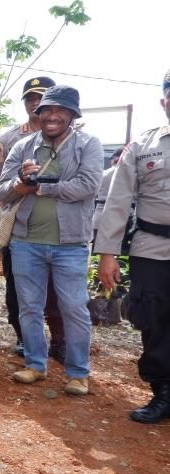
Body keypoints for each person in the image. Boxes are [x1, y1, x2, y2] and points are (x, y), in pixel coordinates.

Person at [0, 85, 102, 396]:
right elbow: (3, 189)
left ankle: (78, 373)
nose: (52, 116)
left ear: (72, 116)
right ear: (39, 114)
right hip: (25, 241)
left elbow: (88, 185)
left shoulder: (88, 145)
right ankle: (35, 365)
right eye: (47, 110)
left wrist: (41, 187)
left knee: (73, 308)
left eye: (60, 111)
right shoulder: (23, 147)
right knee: (29, 307)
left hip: (71, 244)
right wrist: (21, 181)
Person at [96, 70, 170, 423]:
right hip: (151, 248)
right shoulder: (142, 146)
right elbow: (117, 202)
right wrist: (107, 254)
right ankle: (162, 394)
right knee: (152, 319)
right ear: (163, 100)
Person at [0, 76, 65, 359]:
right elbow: (1, 186)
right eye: (30, 98)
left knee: (59, 288)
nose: (36, 103)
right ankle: (24, 336)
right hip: (20, 224)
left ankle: (60, 340)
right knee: (18, 285)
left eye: (42, 97)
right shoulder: (9, 139)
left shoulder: (73, 137)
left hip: (59, 225)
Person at [92, 146, 124, 242]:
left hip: (100, 214)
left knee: (97, 249)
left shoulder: (103, 174)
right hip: (121, 216)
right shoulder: (131, 175)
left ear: (114, 159)